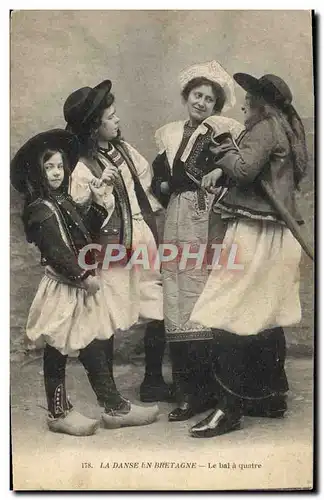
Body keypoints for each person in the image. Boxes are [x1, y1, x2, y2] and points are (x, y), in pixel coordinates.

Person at [10, 129, 159, 436]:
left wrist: (99, 200)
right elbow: (58, 251)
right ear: (37, 174)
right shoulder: (41, 209)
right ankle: (58, 412)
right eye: (48, 167)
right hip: (64, 287)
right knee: (57, 346)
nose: (55, 172)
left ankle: (113, 406)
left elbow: (84, 231)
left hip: (77, 286)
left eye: (58, 166)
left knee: (90, 340)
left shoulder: (62, 200)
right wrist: (83, 276)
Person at [188, 72, 308, 437]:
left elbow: (243, 169)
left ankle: (229, 409)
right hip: (277, 235)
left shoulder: (264, 127)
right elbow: (267, 175)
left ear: (261, 102)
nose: (242, 104)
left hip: (255, 235)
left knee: (227, 313)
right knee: (264, 314)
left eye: (248, 98)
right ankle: (270, 397)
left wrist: (222, 148)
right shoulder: (286, 128)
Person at [63, 80, 172, 403]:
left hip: (141, 238)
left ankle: (152, 380)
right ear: (94, 127)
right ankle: (108, 393)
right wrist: (102, 191)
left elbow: (147, 182)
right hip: (111, 247)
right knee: (106, 312)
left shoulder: (124, 151)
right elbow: (81, 211)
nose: (117, 121)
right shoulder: (82, 166)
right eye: (110, 118)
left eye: (115, 115)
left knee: (157, 305)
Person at [151, 61, 244, 422]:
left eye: (209, 98)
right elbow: (160, 177)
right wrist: (163, 186)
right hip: (175, 217)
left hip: (206, 218)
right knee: (175, 298)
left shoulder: (221, 132)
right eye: (197, 95)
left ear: (216, 105)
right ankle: (188, 393)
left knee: (202, 295)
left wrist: (216, 180)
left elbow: (235, 172)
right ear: (186, 96)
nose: (202, 102)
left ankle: (211, 392)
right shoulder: (171, 134)